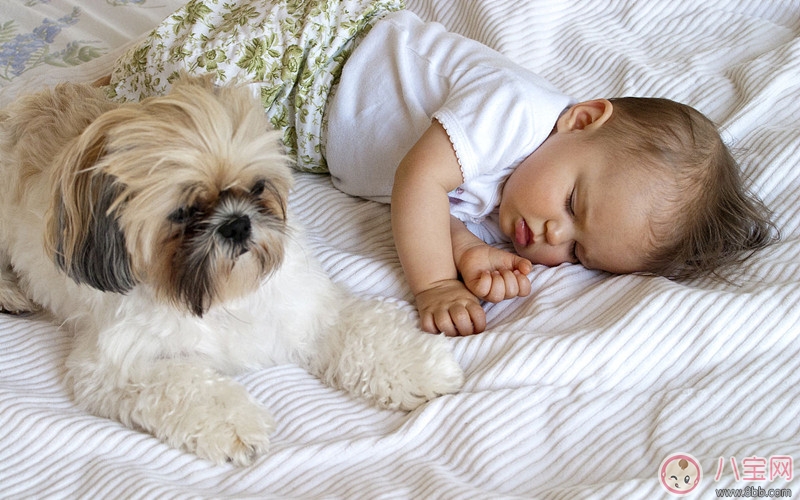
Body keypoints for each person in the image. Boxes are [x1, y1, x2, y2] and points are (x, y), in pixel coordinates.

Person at [104, 0, 776, 336]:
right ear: (581, 119)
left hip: (308, 126)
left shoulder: (525, 191)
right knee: (183, 115)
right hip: (313, 60)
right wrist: (434, 283)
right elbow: (420, 181)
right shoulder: (514, 111)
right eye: (574, 206)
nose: (553, 236)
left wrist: (469, 252)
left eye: (579, 252)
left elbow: (444, 210)